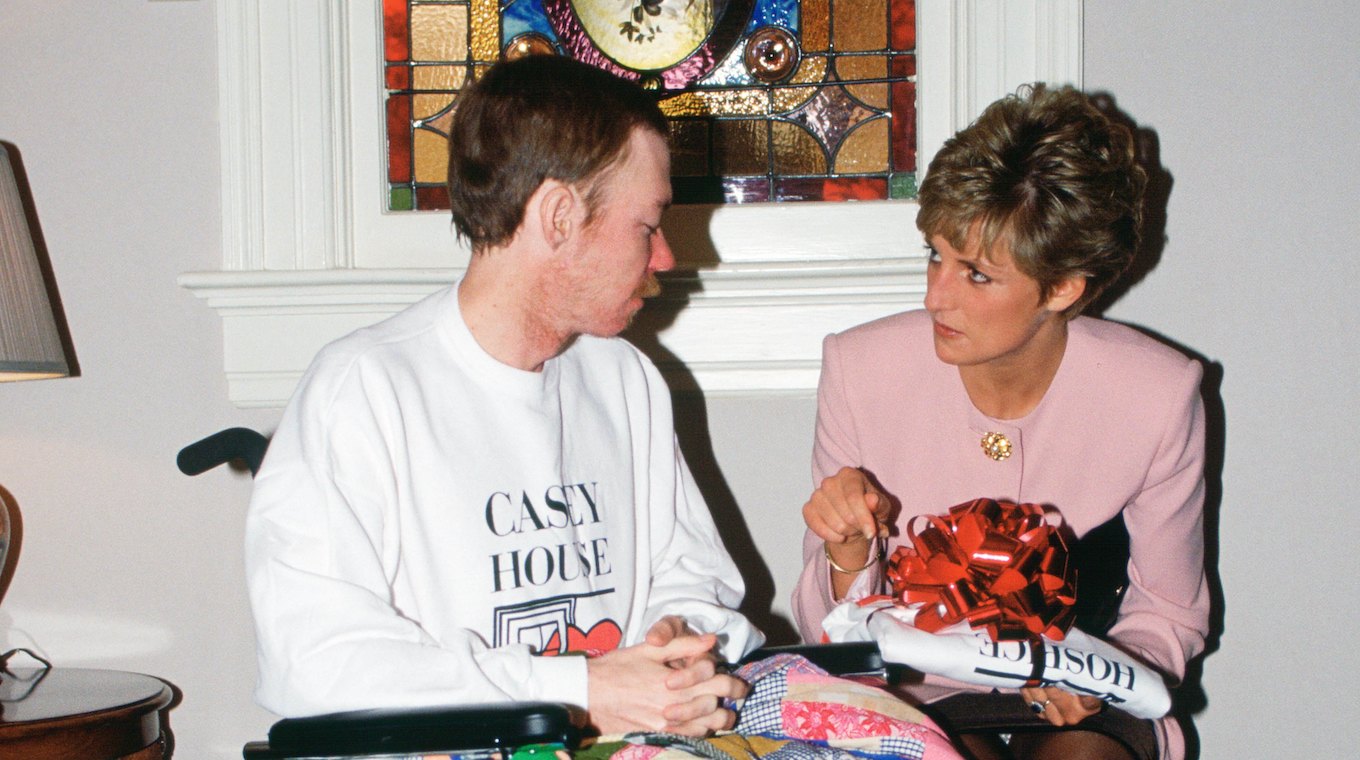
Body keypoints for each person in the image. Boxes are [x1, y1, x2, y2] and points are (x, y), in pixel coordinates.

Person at [244, 54, 763, 738]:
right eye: (647, 225)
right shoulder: (364, 389)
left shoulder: (623, 377)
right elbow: (313, 661)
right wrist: (575, 691)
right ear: (557, 215)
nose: (664, 257)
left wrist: (677, 638)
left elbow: (693, 571)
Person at [791, 83, 1209, 760]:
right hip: (921, 694)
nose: (935, 296)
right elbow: (832, 638)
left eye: (976, 275)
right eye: (935, 255)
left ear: (1064, 286)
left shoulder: (1158, 396)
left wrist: (1100, 675)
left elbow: (1170, 611)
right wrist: (846, 557)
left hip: (1087, 706)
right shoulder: (859, 368)